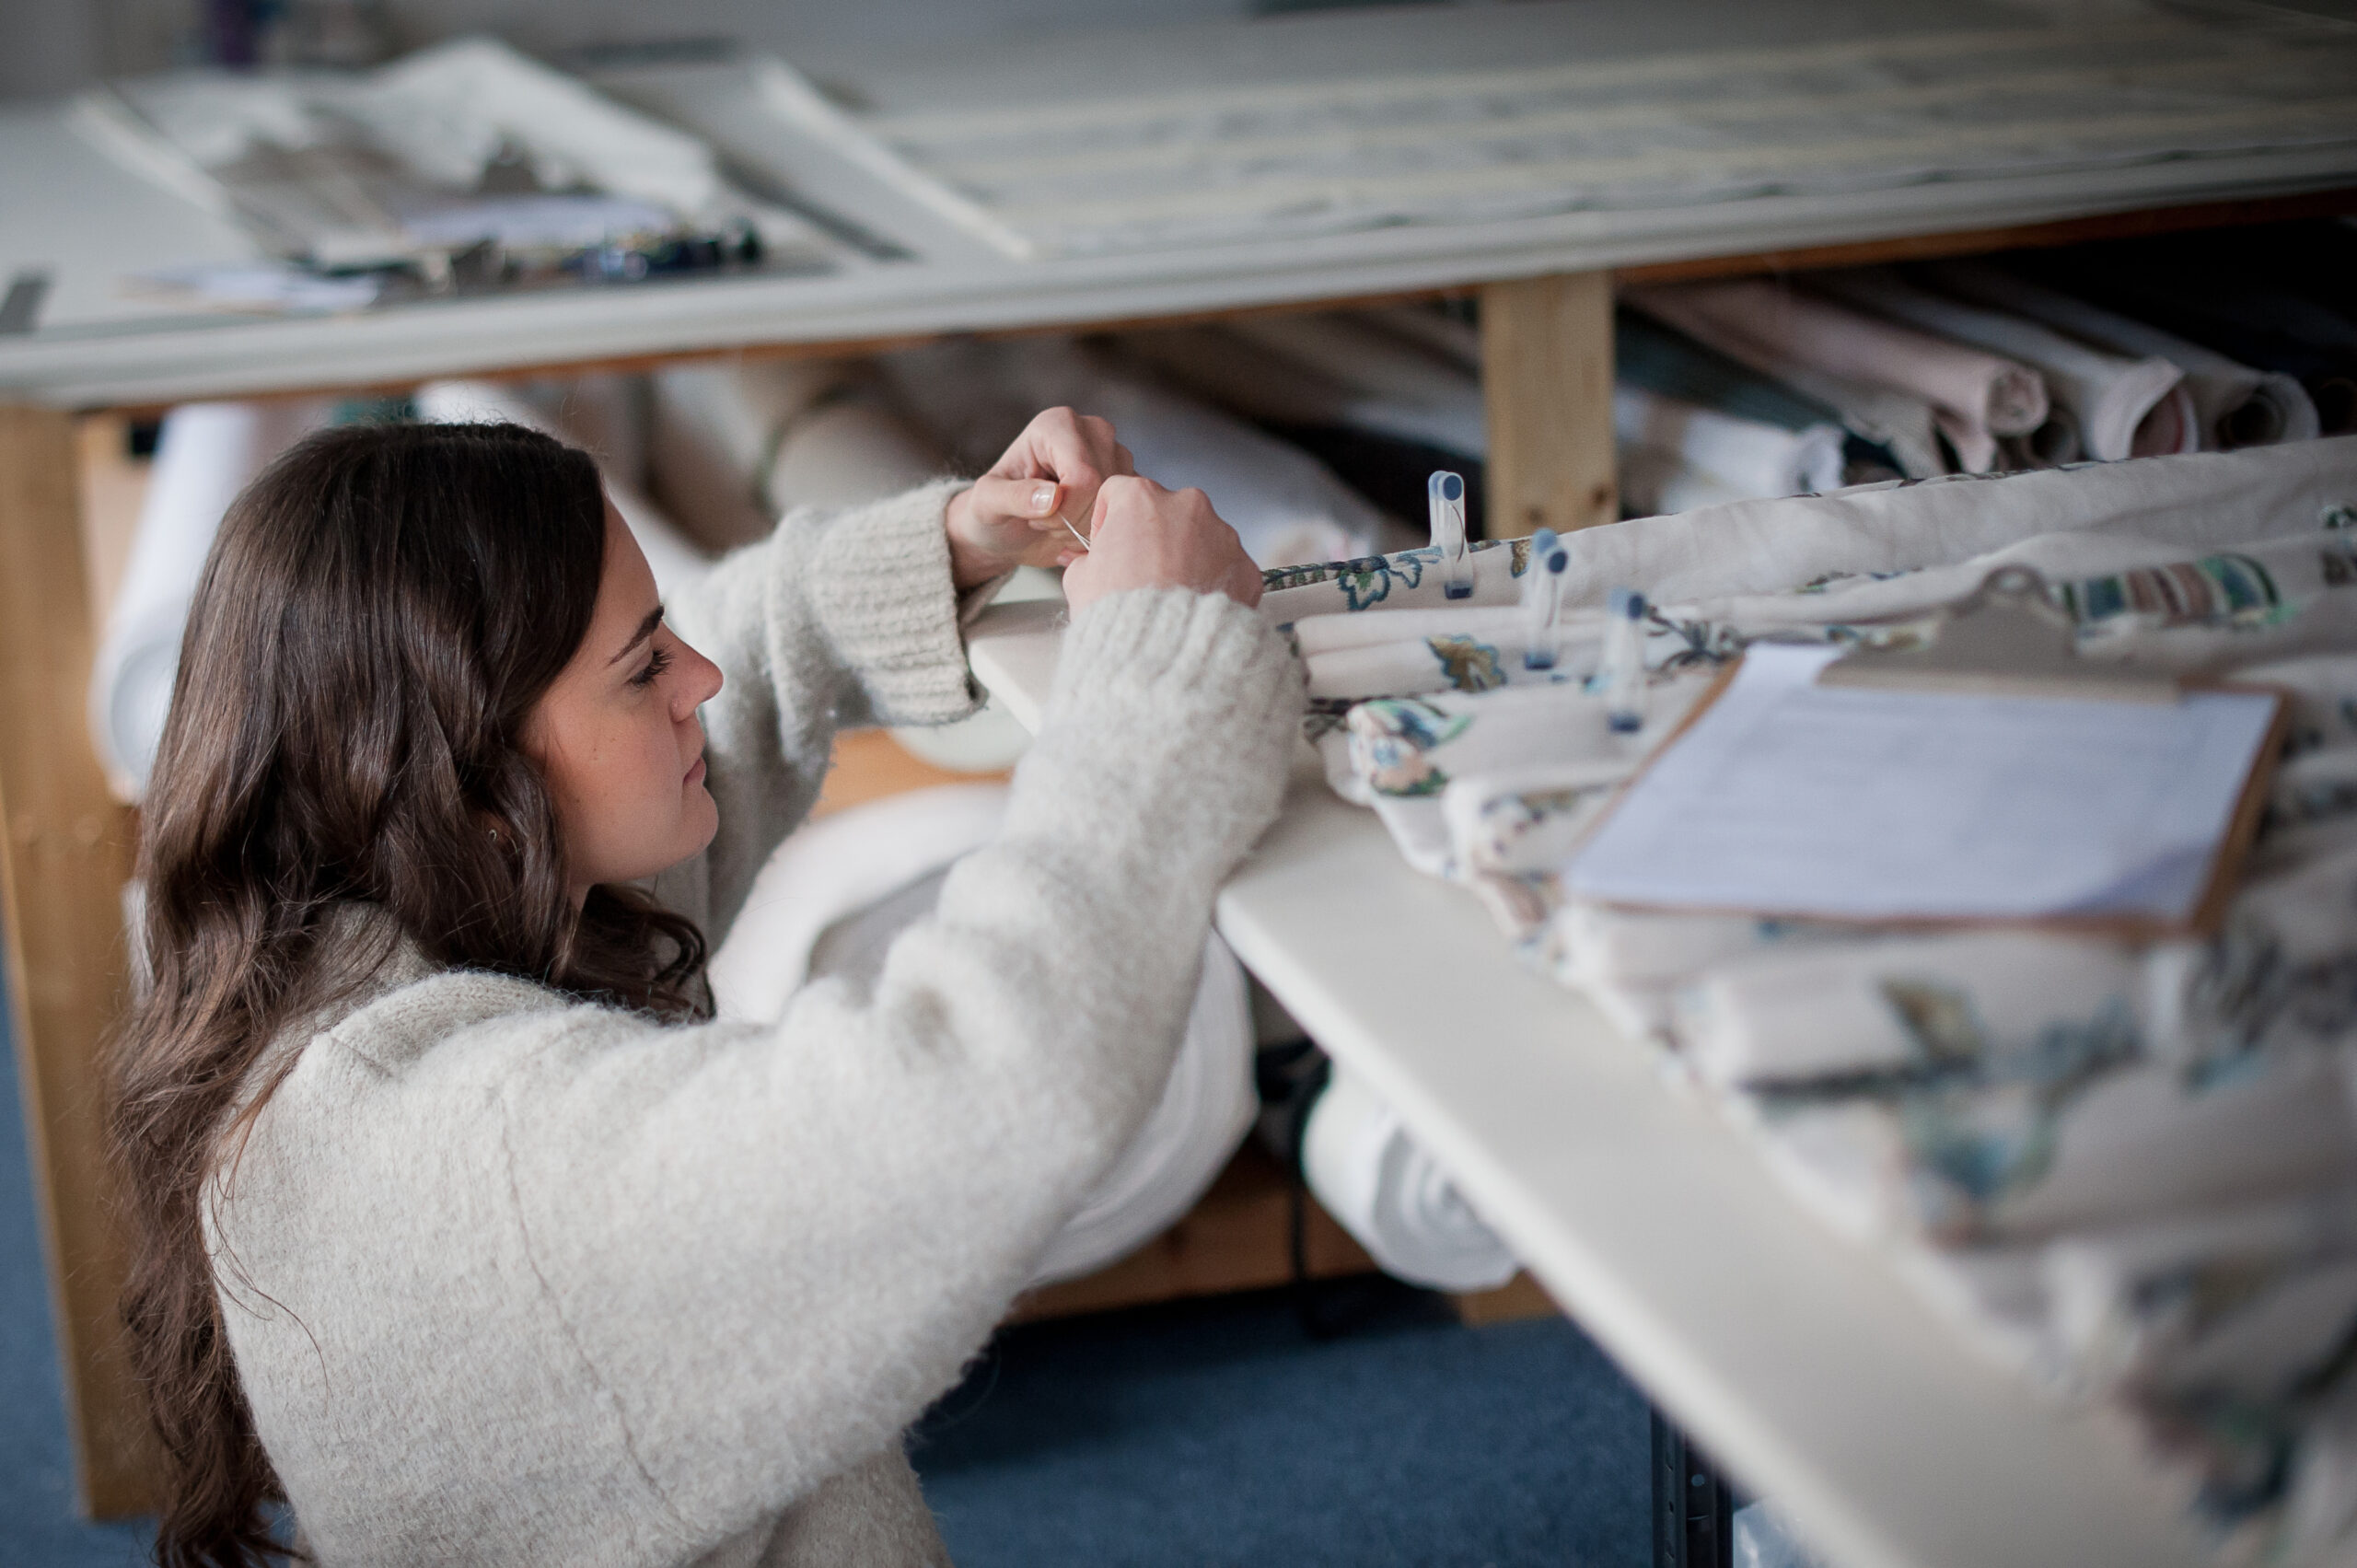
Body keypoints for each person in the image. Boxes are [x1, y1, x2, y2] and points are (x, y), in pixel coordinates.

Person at [107, 408, 1300, 1568]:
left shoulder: (383, 919)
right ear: (468, 778)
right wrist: (1152, 672)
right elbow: (974, 1090)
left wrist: (954, 544)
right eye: (645, 670)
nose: (701, 674)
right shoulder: (463, 1165)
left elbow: (744, 667)